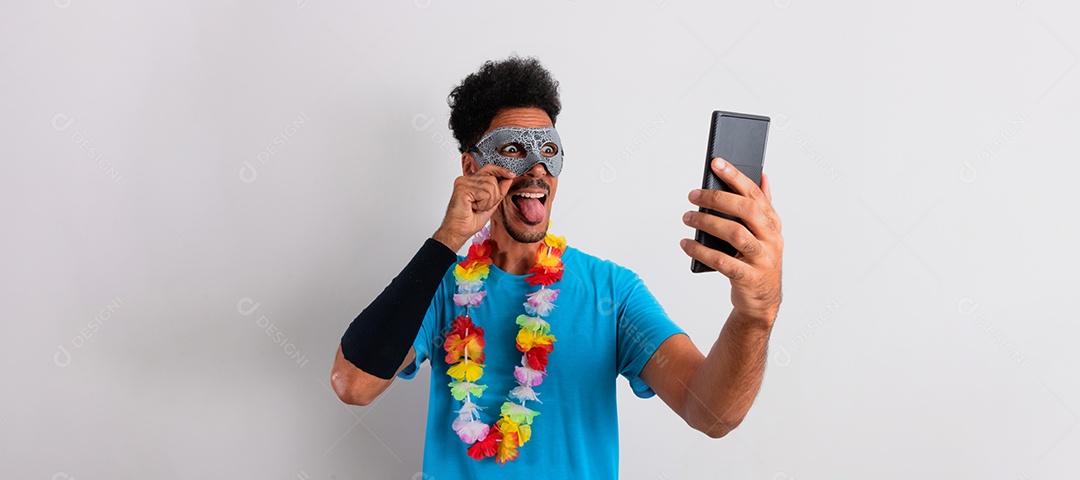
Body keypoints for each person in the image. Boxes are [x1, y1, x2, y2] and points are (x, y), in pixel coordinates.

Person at [331, 56, 784, 478]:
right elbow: (353, 384)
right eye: (513, 149)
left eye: (549, 149)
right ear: (471, 167)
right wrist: (449, 238)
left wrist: (754, 316)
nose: (537, 168)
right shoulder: (439, 287)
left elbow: (711, 413)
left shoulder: (612, 292)